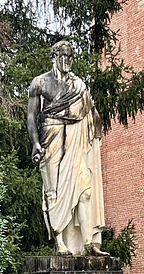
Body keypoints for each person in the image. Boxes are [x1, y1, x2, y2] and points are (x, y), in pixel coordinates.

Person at [27, 41, 108, 256]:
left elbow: (90, 111)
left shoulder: (78, 85)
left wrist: (94, 123)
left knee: (85, 192)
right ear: (54, 56)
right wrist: (35, 144)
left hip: (76, 140)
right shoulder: (40, 83)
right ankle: (59, 242)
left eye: (70, 56)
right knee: (53, 192)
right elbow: (31, 116)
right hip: (51, 139)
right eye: (63, 56)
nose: (67, 61)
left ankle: (89, 243)